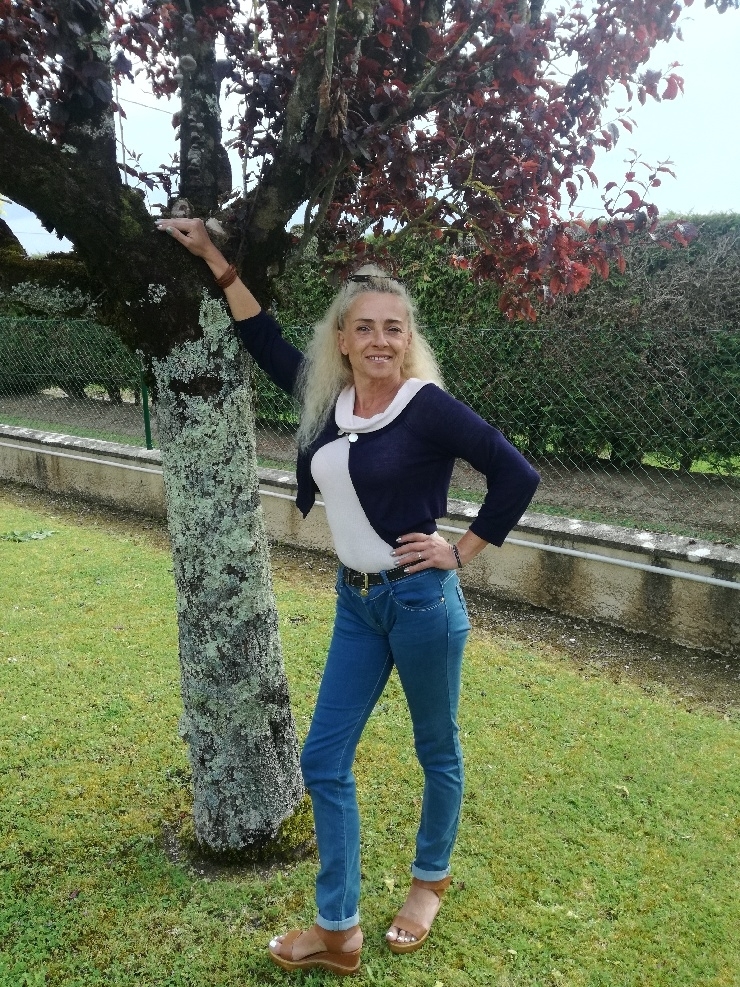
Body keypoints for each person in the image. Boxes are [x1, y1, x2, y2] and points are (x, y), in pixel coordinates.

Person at [157, 218, 540, 976]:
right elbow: (263, 337)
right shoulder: (327, 402)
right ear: (342, 339)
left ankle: (429, 883)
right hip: (356, 606)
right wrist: (213, 258)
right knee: (324, 759)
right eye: (364, 327)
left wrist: (459, 550)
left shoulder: (426, 405)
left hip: (421, 603)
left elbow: (516, 473)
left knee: (437, 748)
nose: (379, 340)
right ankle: (339, 928)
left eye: (393, 328)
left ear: (408, 339)